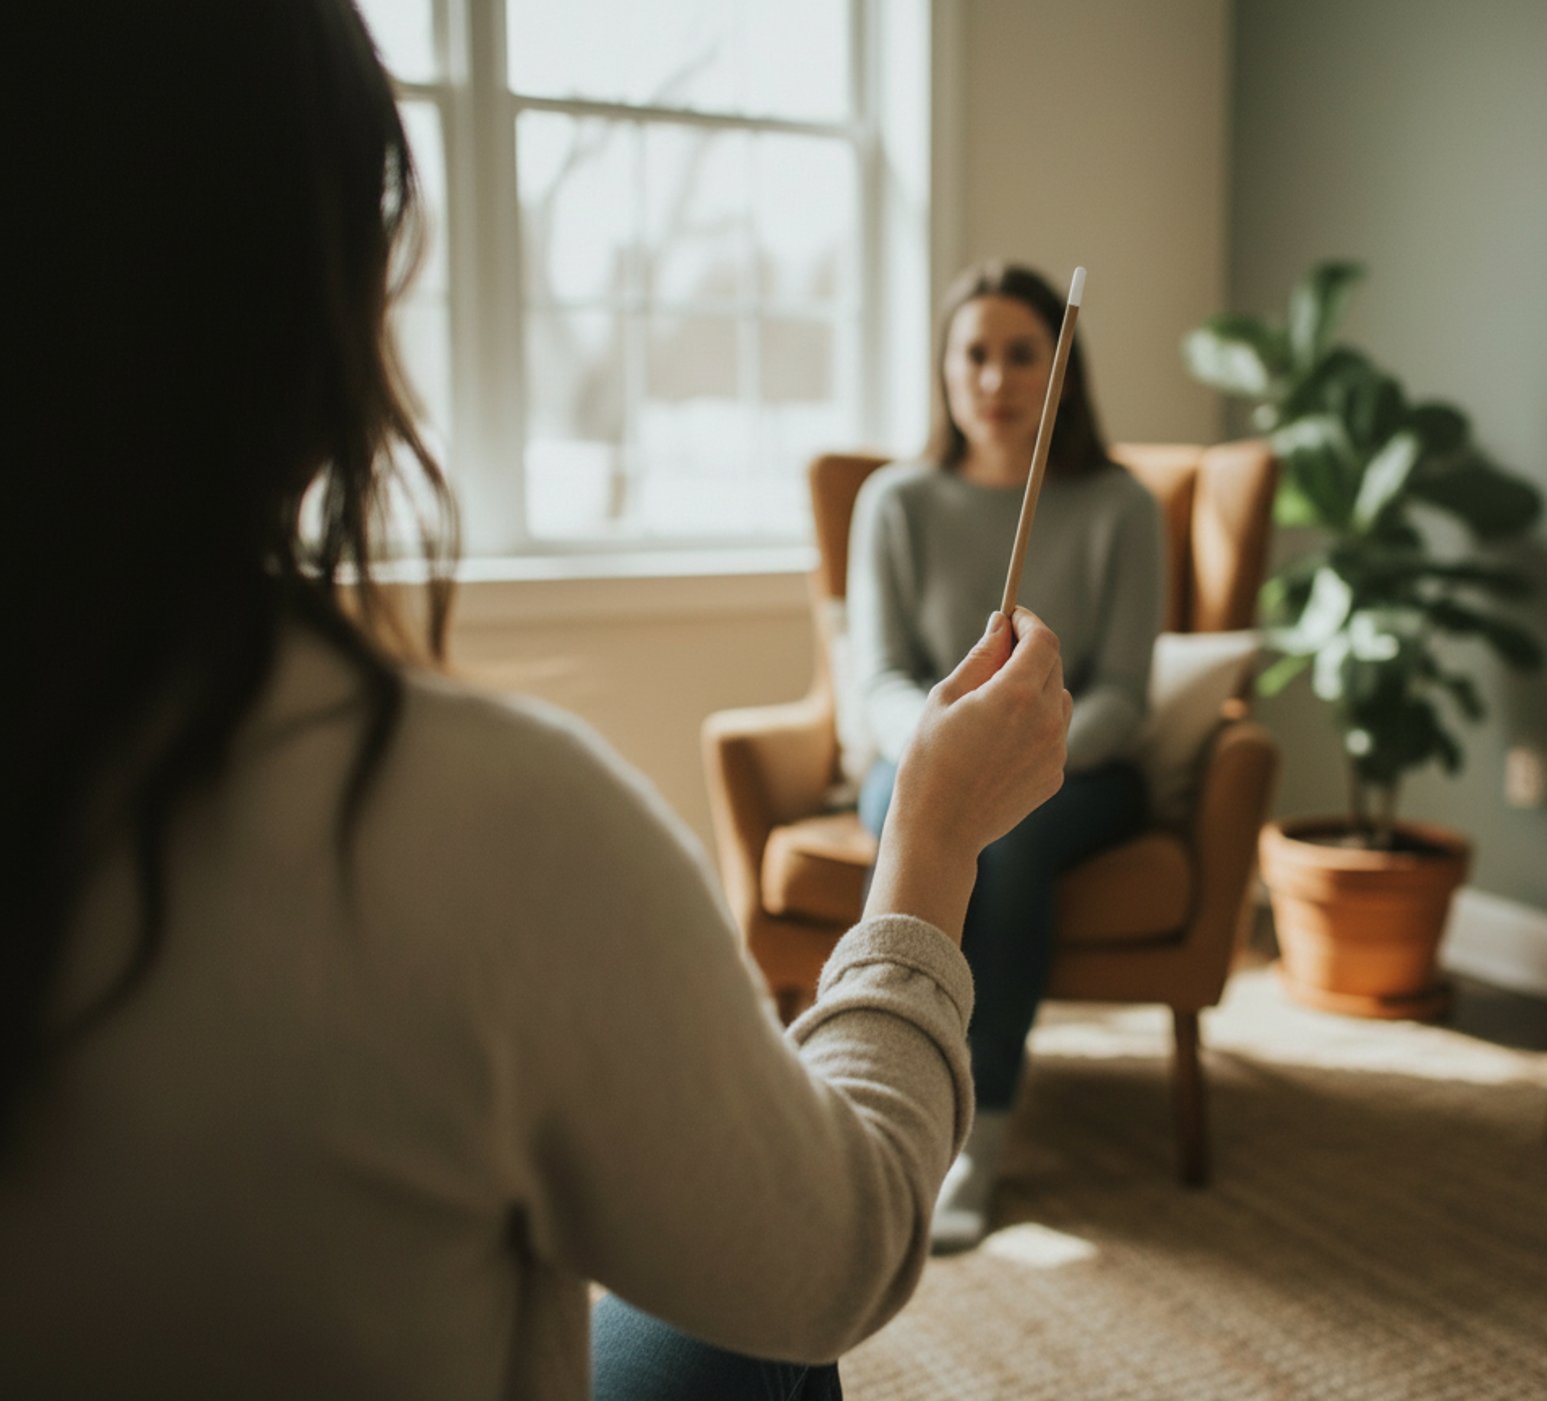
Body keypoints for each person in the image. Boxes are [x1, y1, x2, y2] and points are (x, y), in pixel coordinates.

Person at [2, 5, 1072, 1398]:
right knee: (766, 1329)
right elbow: (837, 1254)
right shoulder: (489, 817)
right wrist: (929, 843)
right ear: (318, 303)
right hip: (903, 802)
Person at [845, 263, 1166, 1251]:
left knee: (1010, 838)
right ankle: (870, 1099)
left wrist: (1028, 747)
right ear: (943, 368)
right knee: (929, 816)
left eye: (1022, 354)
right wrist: (945, 750)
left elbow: (1125, 693)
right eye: (973, 354)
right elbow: (879, 677)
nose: (994, 378)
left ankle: (979, 1133)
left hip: (1080, 771)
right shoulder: (895, 502)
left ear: (1063, 370)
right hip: (917, 754)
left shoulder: (1122, 505)